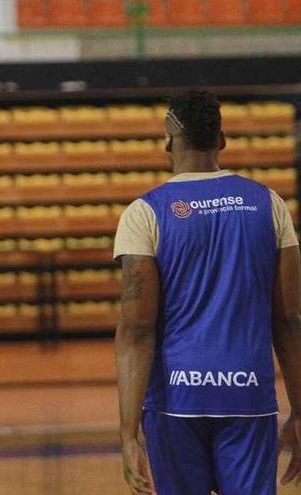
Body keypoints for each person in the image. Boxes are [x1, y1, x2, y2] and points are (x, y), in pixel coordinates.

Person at [114, 89, 301, 495]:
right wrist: (299, 409)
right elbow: (289, 320)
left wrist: (129, 435)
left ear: (168, 139)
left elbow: (137, 332)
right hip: (249, 396)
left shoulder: (144, 213)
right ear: (222, 140)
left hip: (175, 402)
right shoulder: (269, 205)